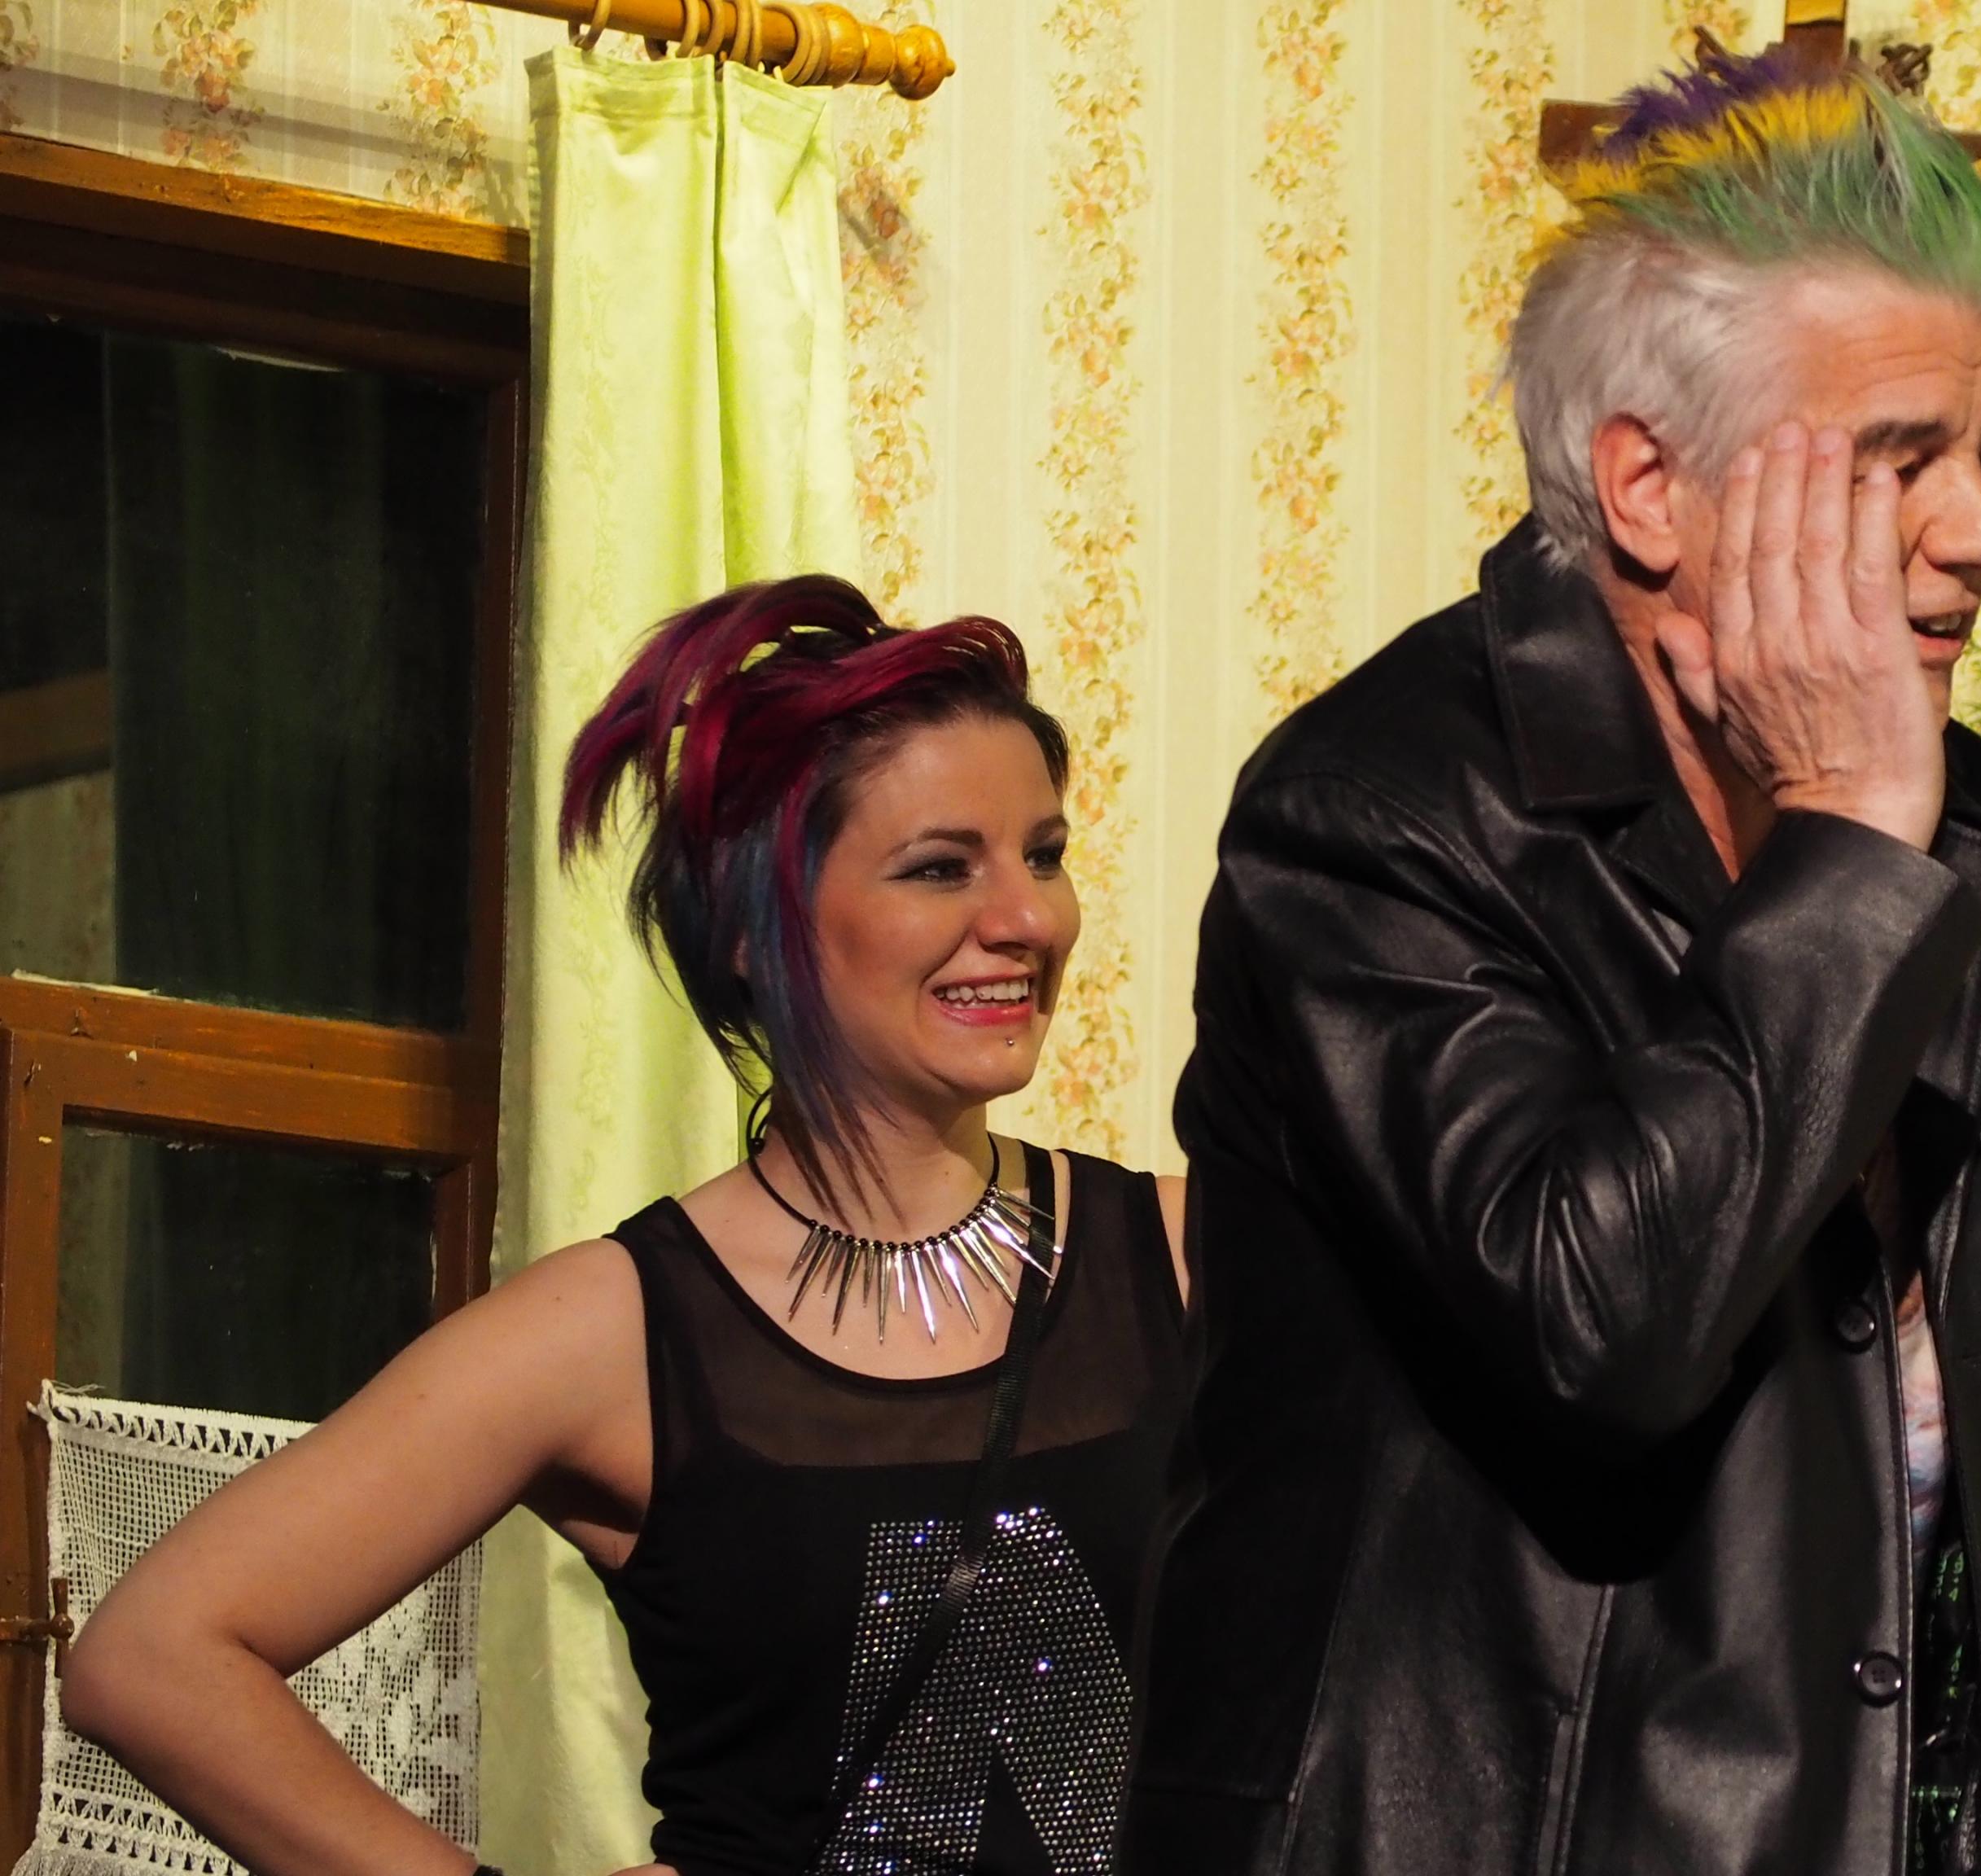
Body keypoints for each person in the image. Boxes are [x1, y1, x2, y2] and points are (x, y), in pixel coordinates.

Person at [1131, 42, 1981, 1876]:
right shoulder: (1369, 815)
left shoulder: (1965, 825)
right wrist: (1846, 845)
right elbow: (1602, 1325)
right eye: (1900, 459)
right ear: (1647, 485)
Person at [62, 577, 1188, 1876]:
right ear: (759, 926)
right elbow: (153, 1659)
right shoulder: (614, 1329)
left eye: (1044, 855)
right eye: (942, 868)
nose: (1030, 920)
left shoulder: (1196, 1254)